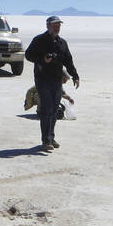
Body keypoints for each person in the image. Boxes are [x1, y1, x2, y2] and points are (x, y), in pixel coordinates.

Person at [24, 15, 80, 151]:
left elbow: (68, 60)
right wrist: (43, 59)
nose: (57, 27)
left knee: (54, 111)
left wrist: (75, 76)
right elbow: (28, 55)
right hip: (42, 79)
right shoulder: (39, 40)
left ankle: (51, 137)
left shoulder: (62, 43)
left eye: (59, 25)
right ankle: (45, 141)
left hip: (56, 80)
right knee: (47, 109)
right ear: (47, 26)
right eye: (54, 25)